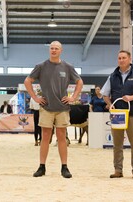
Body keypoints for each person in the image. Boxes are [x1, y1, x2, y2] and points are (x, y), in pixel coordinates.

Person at [24, 41, 83, 178]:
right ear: (49, 50)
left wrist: (73, 97)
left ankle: (64, 167)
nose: (54, 50)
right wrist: (35, 98)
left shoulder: (67, 67)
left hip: (62, 108)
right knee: (45, 137)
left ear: (61, 50)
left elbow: (79, 81)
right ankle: (41, 167)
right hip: (46, 107)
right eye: (51, 48)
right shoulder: (41, 66)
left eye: (56, 48)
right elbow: (28, 81)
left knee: (62, 137)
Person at [101, 50, 133, 181]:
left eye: (123, 58)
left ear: (130, 59)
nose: (121, 60)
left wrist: (131, 97)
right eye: (119, 58)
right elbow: (104, 94)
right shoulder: (112, 76)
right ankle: (118, 170)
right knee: (117, 144)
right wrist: (110, 104)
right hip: (117, 114)